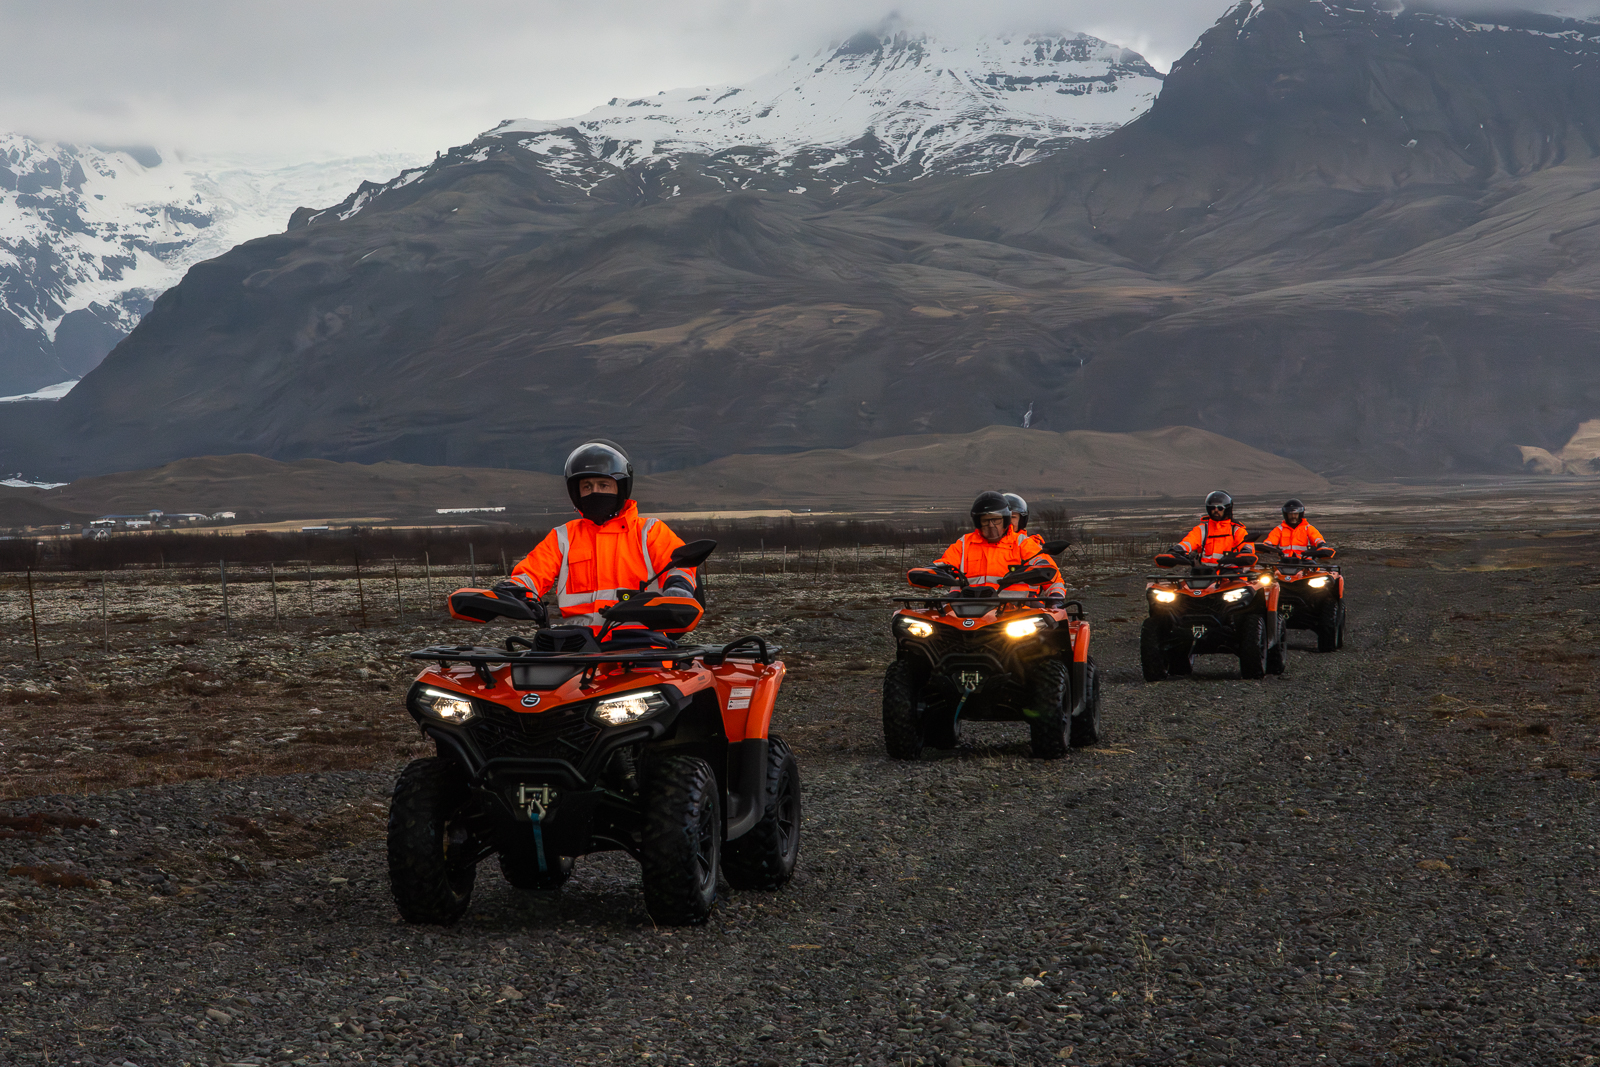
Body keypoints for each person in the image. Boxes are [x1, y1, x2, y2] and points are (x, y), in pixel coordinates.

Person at [497, 441, 699, 631]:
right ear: (577, 493)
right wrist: (511, 590)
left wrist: (678, 590)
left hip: (642, 644)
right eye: (587, 486)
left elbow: (679, 567)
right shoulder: (563, 536)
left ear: (620, 489)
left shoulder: (650, 531)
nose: (595, 492)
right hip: (578, 645)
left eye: (603, 485)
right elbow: (531, 574)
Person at [912, 492, 1062, 596]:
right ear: (978, 522)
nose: (991, 525)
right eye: (985, 520)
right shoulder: (964, 544)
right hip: (965, 608)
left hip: (1016, 610)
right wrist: (929, 573)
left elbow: (1046, 569)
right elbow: (945, 563)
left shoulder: (1024, 543)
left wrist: (1055, 598)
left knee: (1045, 632)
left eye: (996, 520)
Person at [1003, 491, 1067, 601]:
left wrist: (1055, 599)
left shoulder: (1032, 548)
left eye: (1013, 517)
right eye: (1003, 517)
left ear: (1022, 520)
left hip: (1025, 608)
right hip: (979, 608)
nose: (1008, 522)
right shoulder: (972, 546)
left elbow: (1054, 580)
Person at [1166, 490, 1256, 567]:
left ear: (1227, 509)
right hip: (1205, 576)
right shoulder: (1202, 530)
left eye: (1220, 508)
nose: (1216, 510)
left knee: (1248, 586)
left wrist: (1246, 552)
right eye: (1212, 508)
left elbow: (1247, 545)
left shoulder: (1237, 530)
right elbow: (1188, 542)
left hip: (1231, 576)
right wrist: (1176, 550)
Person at [1262, 499, 1333, 560]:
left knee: (1320, 574)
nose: (1293, 516)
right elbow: (1270, 541)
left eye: (1296, 514)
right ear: (1286, 515)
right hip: (1285, 563)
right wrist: (1265, 547)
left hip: (1306, 563)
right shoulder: (1279, 529)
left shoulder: (1308, 528)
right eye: (1290, 514)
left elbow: (1318, 539)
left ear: (1300, 514)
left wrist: (1322, 546)